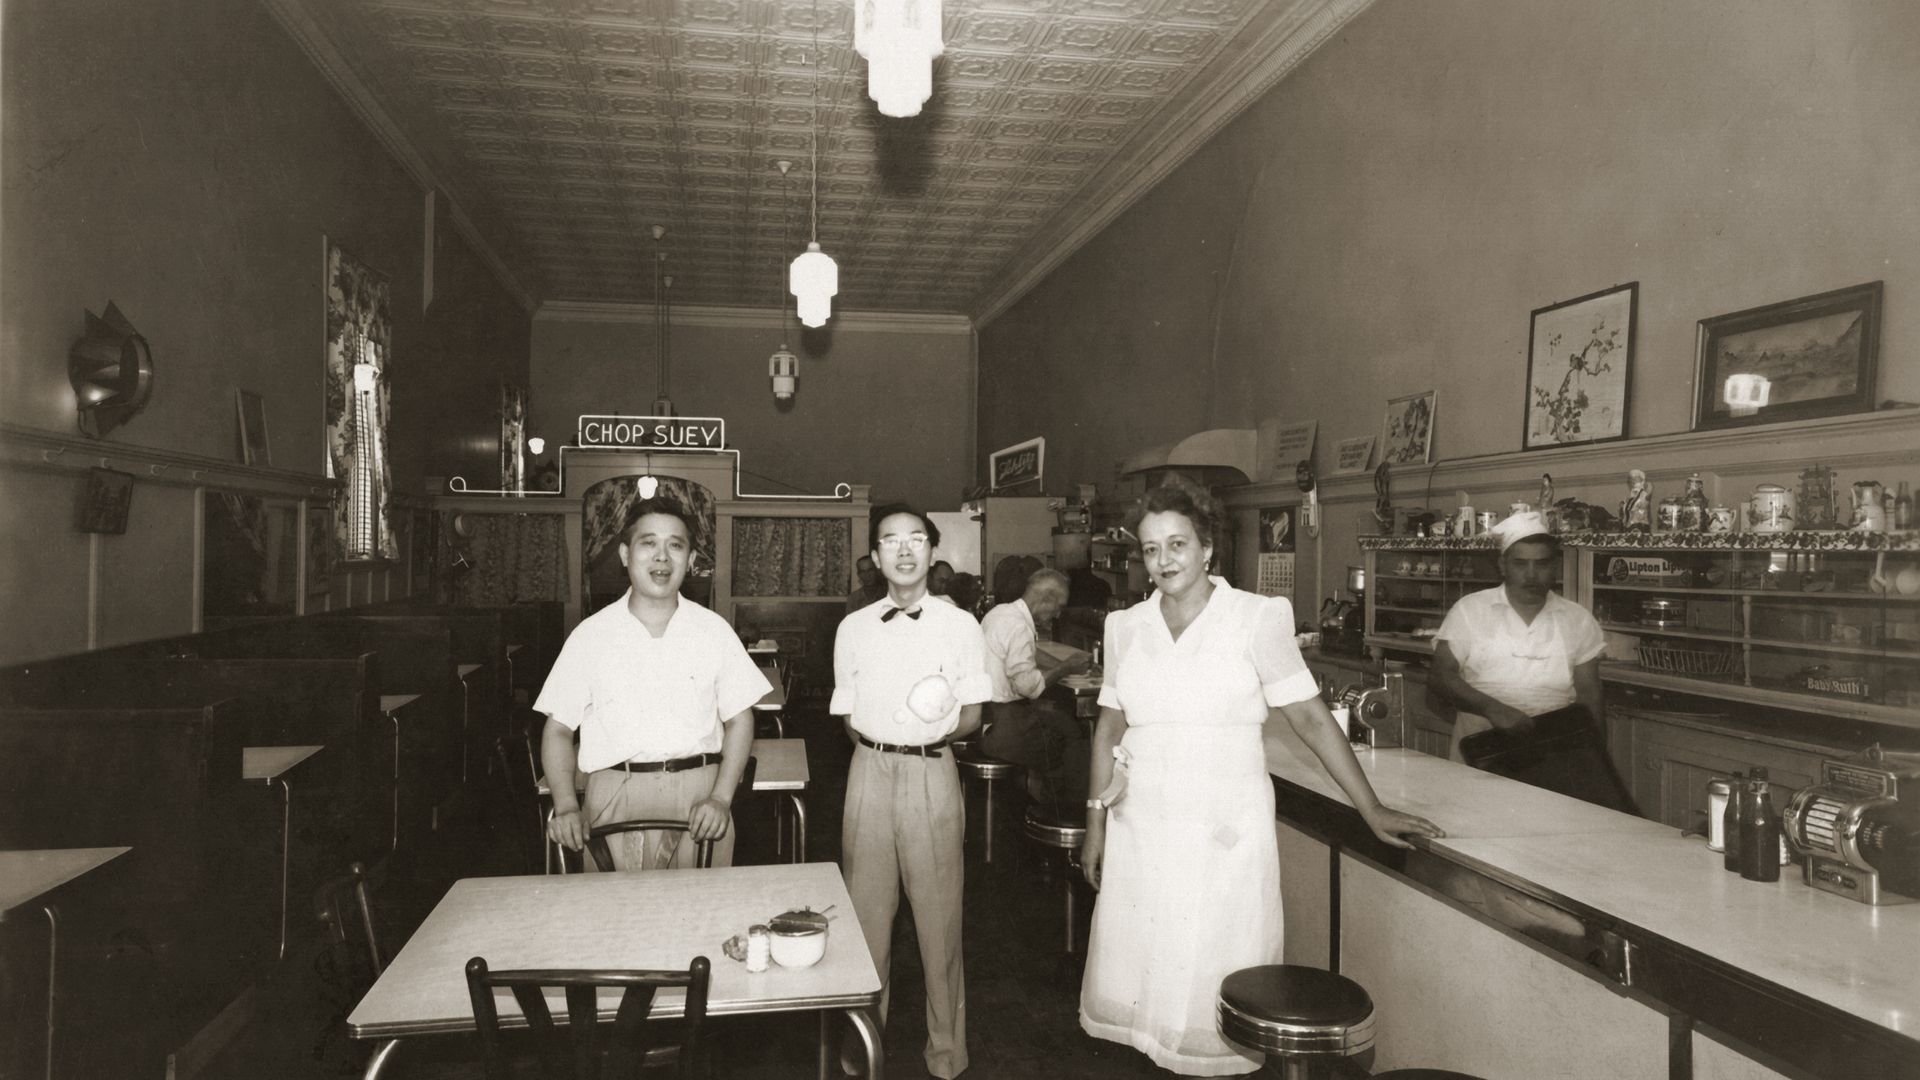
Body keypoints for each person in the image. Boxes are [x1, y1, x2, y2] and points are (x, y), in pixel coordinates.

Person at [1079, 475, 1442, 1076]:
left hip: (1225, 820)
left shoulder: (1256, 617)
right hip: (1142, 819)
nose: (1163, 560)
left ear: (1207, 549)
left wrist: (1371, 809)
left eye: (1177, 544)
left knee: (1213, 966)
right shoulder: (1125, 628)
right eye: (1150, 548)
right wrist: (1095, 824)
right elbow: (1107, 730)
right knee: (1149, 972)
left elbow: (1310, 718)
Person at [832, 505, 991, 1079]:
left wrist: (925, 733)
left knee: (939, 922)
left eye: (915, 539)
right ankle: (860, 1047)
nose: (903, 550)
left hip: (932, 772)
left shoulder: (962, 625)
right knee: (865, 919)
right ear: (875, 557)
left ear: (931, 551)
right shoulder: (852, 628)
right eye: (890, 541)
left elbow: (972, 713)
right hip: (869, 772)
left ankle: (946, 1053)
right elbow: (847, 716)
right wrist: (885, 741)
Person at [535, 498, 770, 870]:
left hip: (701, 797)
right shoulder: (590, 635)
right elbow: (559, 729)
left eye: (675, 545)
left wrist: (722, 798)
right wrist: (565, 805)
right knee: (616, 921)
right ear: (626, 555)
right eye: (649, 543)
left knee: (704, 918)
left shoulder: (713, 631)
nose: (662, 557)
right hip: (614, 793)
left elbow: (740, 720)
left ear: (690, 560)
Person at [1432, 511, 1605, 762]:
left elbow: (1590, 696)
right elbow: (1440, 676)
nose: (1531, 575)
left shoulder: (1578, 619)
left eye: (1542, 564)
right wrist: (1493, 709)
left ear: (1554, 567)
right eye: (1520, 563)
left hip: (1553, 752)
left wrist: (1597, 762)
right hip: (1481, 748)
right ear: (1503, 565)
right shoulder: (1470, 610)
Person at [979, 568, 1092, 812]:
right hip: (1005, 727)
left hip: (985, 717)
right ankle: (1065, 814)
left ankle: (1034, 802)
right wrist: (1064, 668)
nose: (1058, 613)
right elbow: (1028, 686)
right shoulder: (1019, 626)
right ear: (1046, 599)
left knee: (1057, 719)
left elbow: (1025, 653)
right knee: (1073, 735)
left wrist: (1064, 665)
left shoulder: (1001, 613)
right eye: (1058, 606)